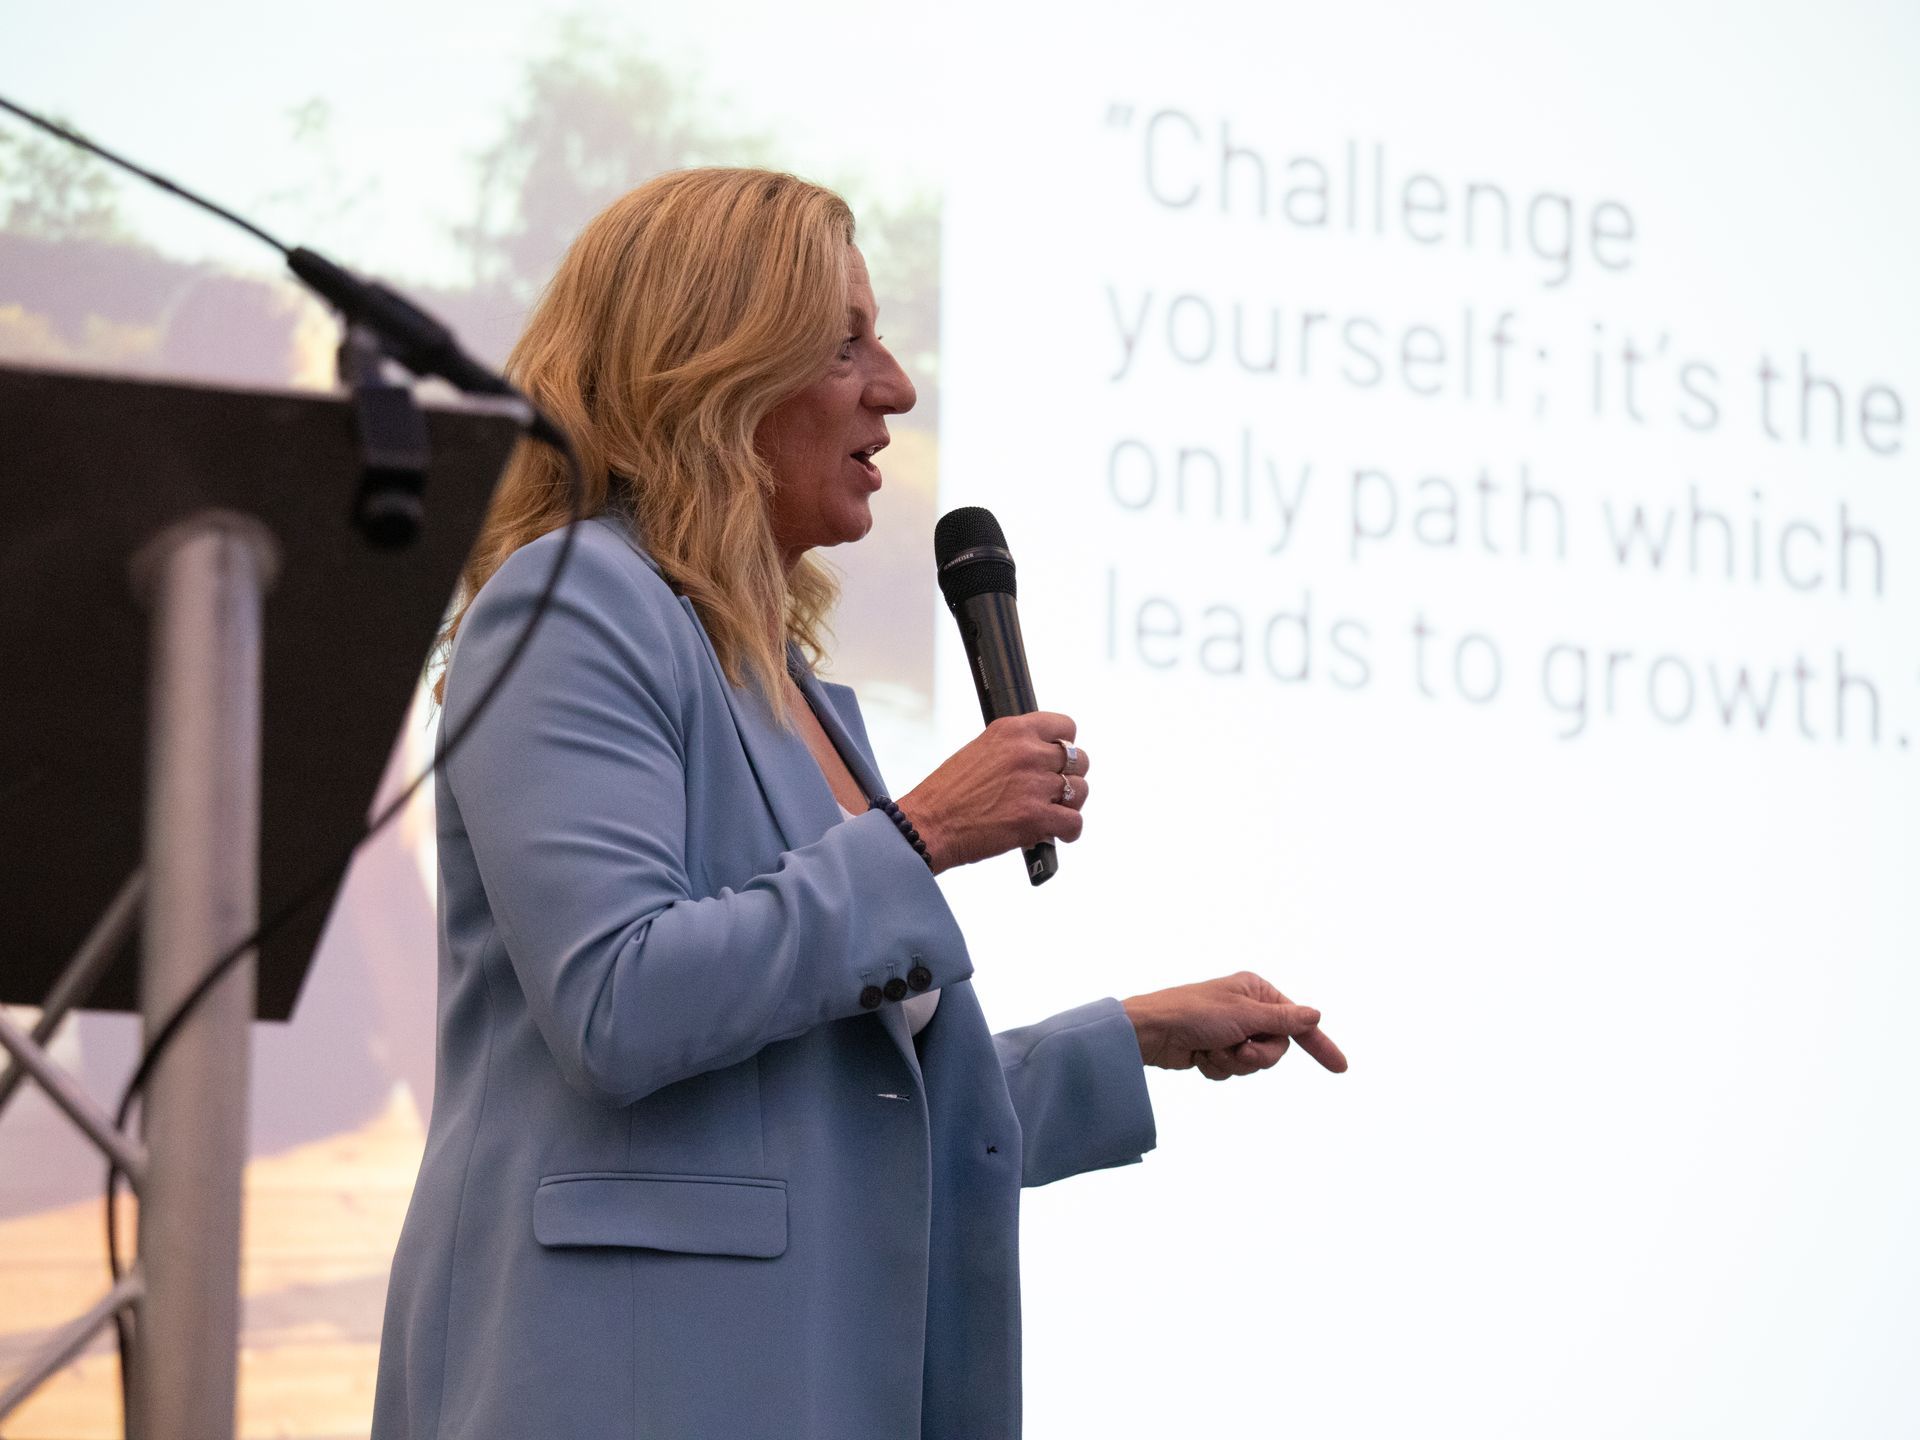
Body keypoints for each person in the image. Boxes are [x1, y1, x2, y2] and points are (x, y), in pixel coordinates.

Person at [371, 167, 1345, 1440]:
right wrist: (926, 836)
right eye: (846, 345)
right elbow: (619, 1000)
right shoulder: (572, 604)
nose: (896, 386)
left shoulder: (798, 697)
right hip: (619, 1384)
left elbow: (839, 1110)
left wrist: (1133, 1035)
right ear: (711, 368)